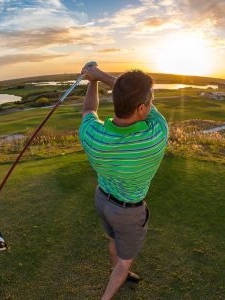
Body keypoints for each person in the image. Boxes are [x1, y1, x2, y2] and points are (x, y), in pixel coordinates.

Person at [79, 65, 169, 300]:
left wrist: (92, 81)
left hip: (102, 200)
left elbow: (89, 109)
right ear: (141, 108)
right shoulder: (156, 134)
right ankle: (117, 277)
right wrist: (101, 76)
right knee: (124, 261)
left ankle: (119, 270)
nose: (152, 104)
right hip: (129, 211)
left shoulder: (92, 134)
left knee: (113, 239)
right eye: (150, 101)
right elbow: (144, 106)